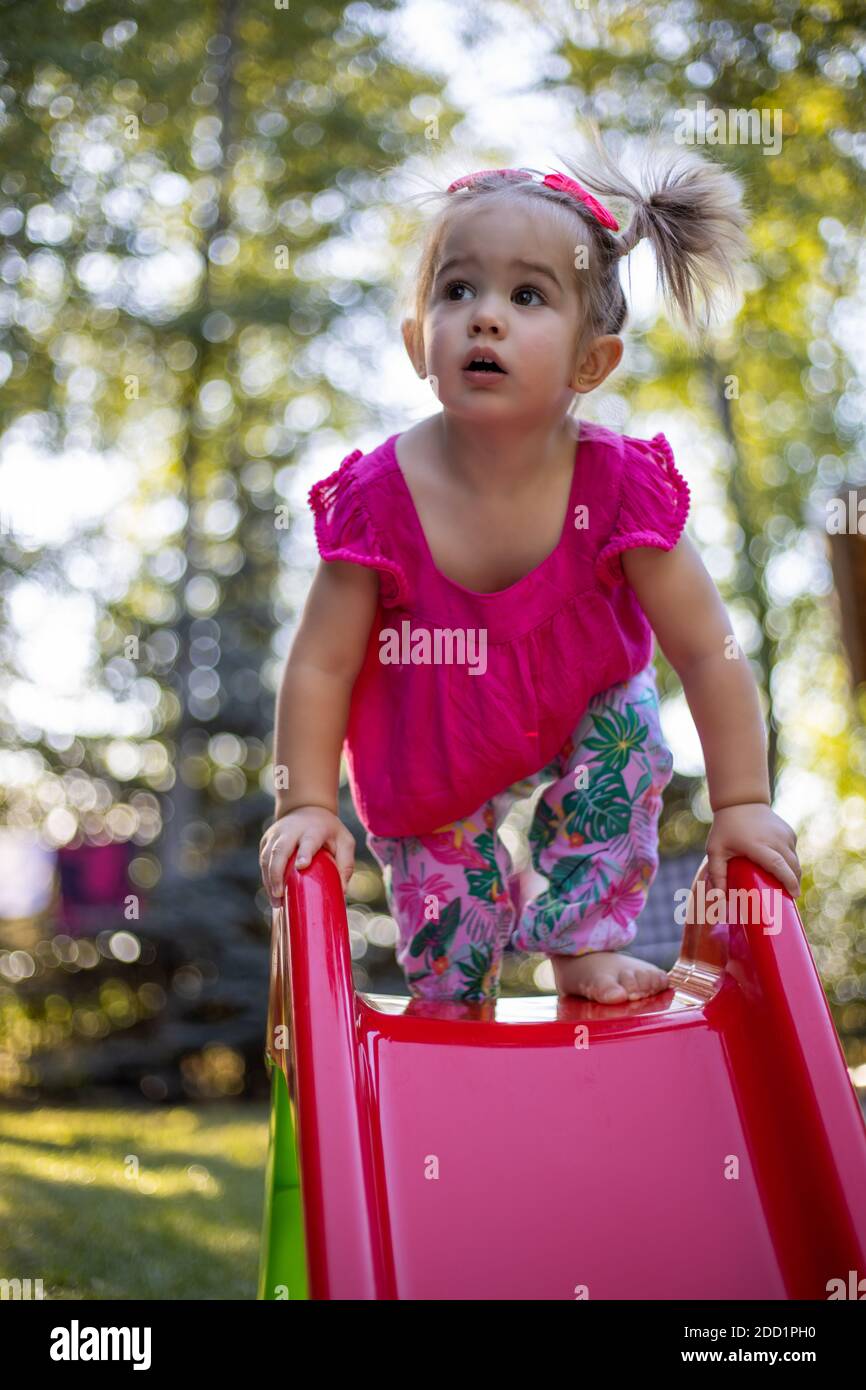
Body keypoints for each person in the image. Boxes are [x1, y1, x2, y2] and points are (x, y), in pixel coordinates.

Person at [259, 132, 801, 1006]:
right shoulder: (376, 499)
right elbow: (320, 663)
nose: (485, 315)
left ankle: (582, 944)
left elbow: (707, 651)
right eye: (458, 289)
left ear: (592, 361)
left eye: (527, 296)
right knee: (452, 942)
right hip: (427, 735)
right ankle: (454, 1006)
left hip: (572, 705)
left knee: (626, 747)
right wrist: (306, 805)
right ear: (417, 341)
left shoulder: (620, 487)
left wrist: (741, 801)